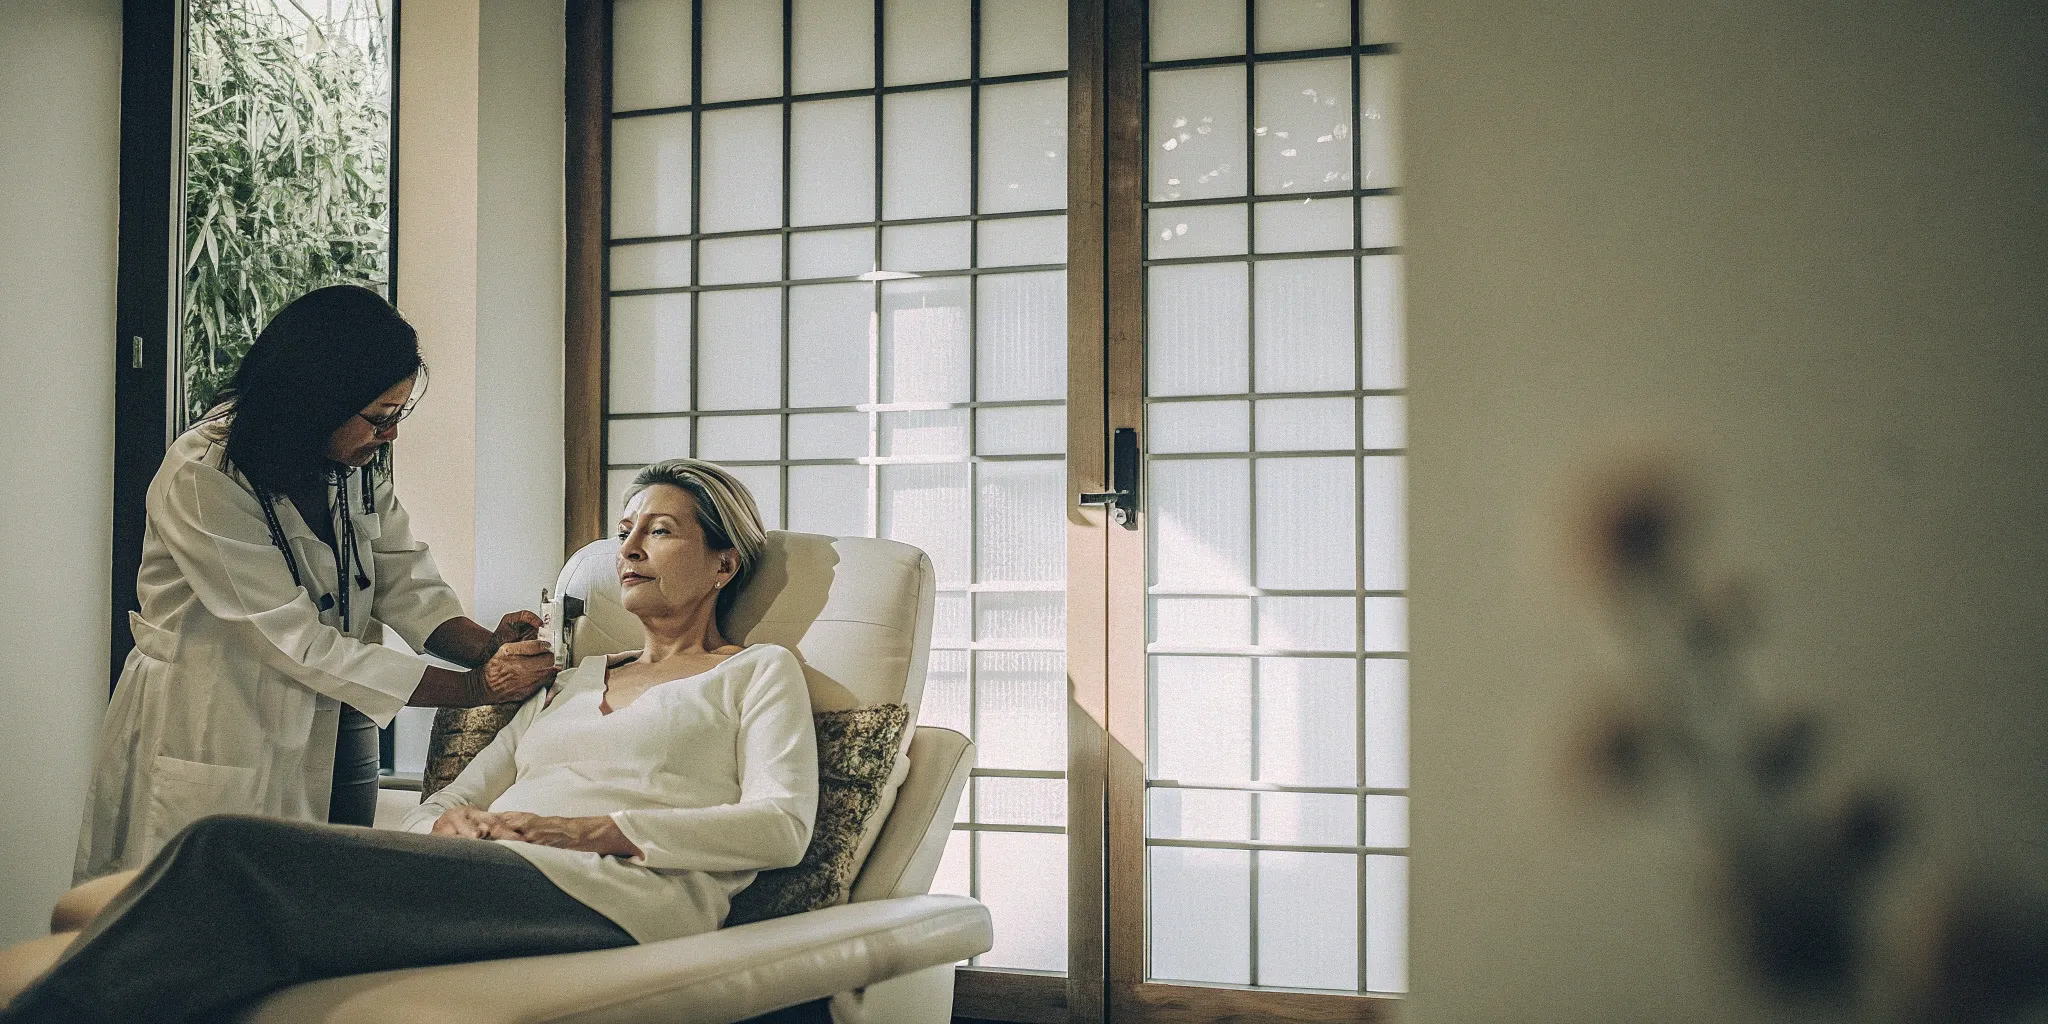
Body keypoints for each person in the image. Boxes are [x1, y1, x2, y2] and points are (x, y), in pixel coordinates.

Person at [1, 459, 819, 1023]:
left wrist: (597, 831)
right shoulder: (572, 677)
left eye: (662, 531)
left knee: (224, 852)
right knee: (227, 897)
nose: (629, 548)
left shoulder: (755, 673)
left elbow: (781, 826)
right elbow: (456, 798)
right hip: (502, 867)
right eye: (626, 528)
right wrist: (447, 826)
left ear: (723, 563)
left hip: (616, 895)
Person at [74, 285, 560, 883]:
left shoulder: (349, 463)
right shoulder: (204, 477)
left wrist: (485, 647)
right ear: (314, 400)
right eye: (380, 418)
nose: (391, 437)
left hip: (337, 721)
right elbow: (295, 642)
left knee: (328, 899)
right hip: (217, 722)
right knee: (199, 917)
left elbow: (401, 574)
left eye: (398, 415)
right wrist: (475, 689)